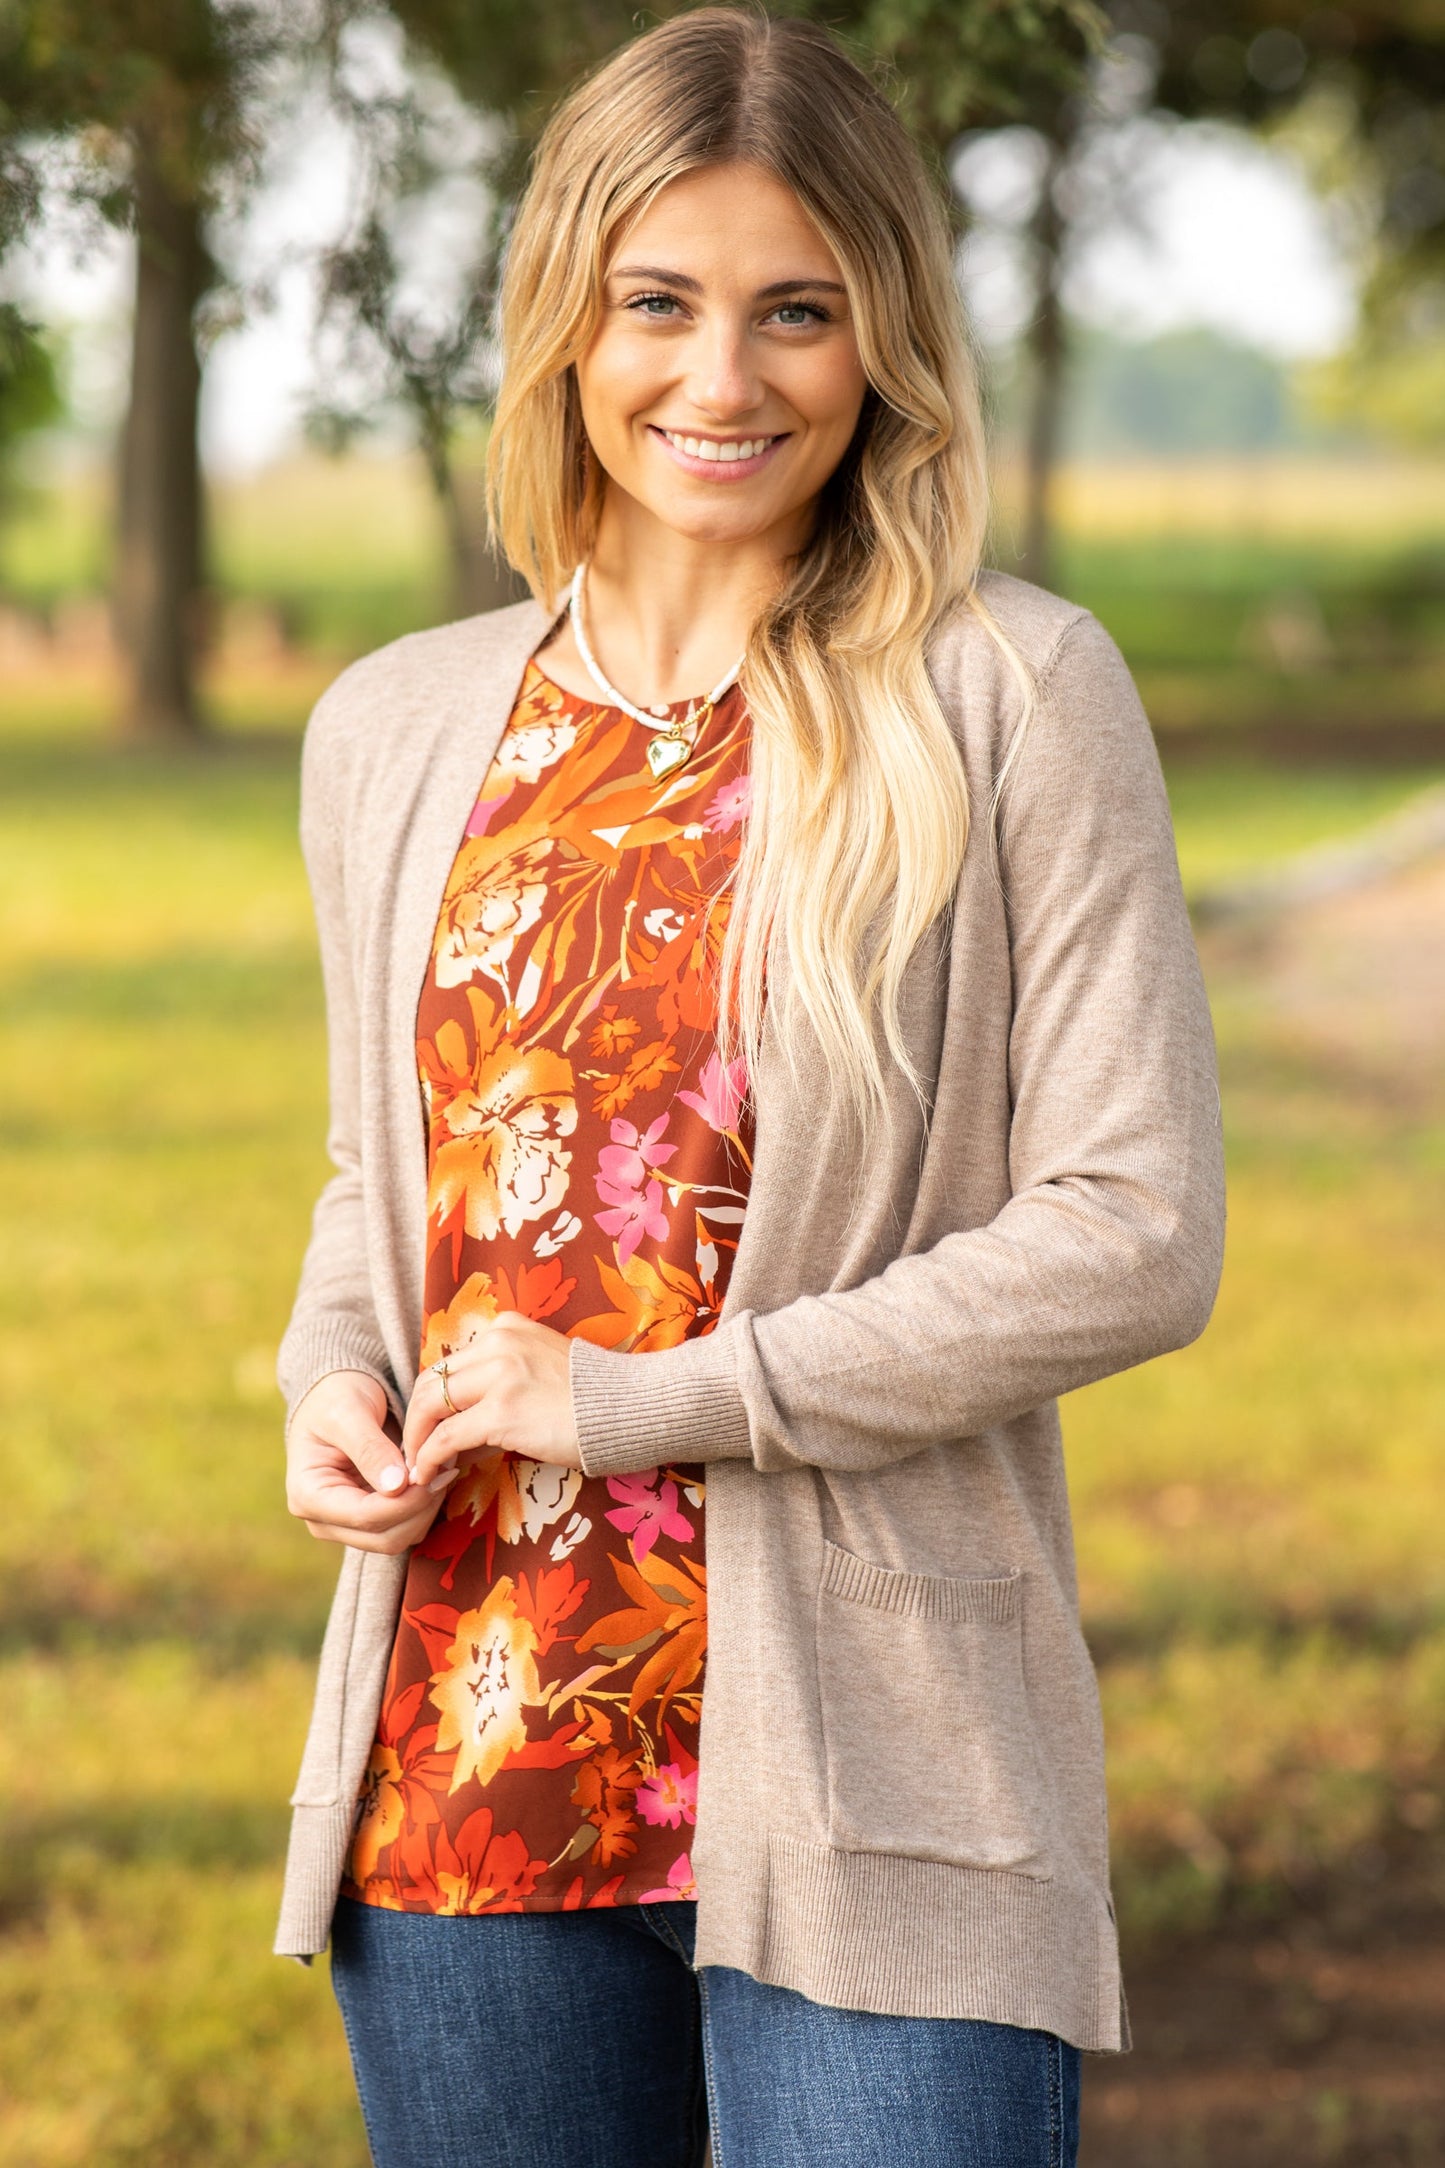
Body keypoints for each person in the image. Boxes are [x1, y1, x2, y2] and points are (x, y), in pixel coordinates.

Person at [274, 11, 1225, 2166]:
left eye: (797, 311)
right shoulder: (400, 728)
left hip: (881, 1754)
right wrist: (332, 1366)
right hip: (476, 1746)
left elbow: (1132, 1228)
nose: (725, 380)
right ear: (567, 324)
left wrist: (641, 1402)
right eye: (661, 305)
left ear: (881, 338)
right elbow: (389, 1172)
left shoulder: (1008, 698)